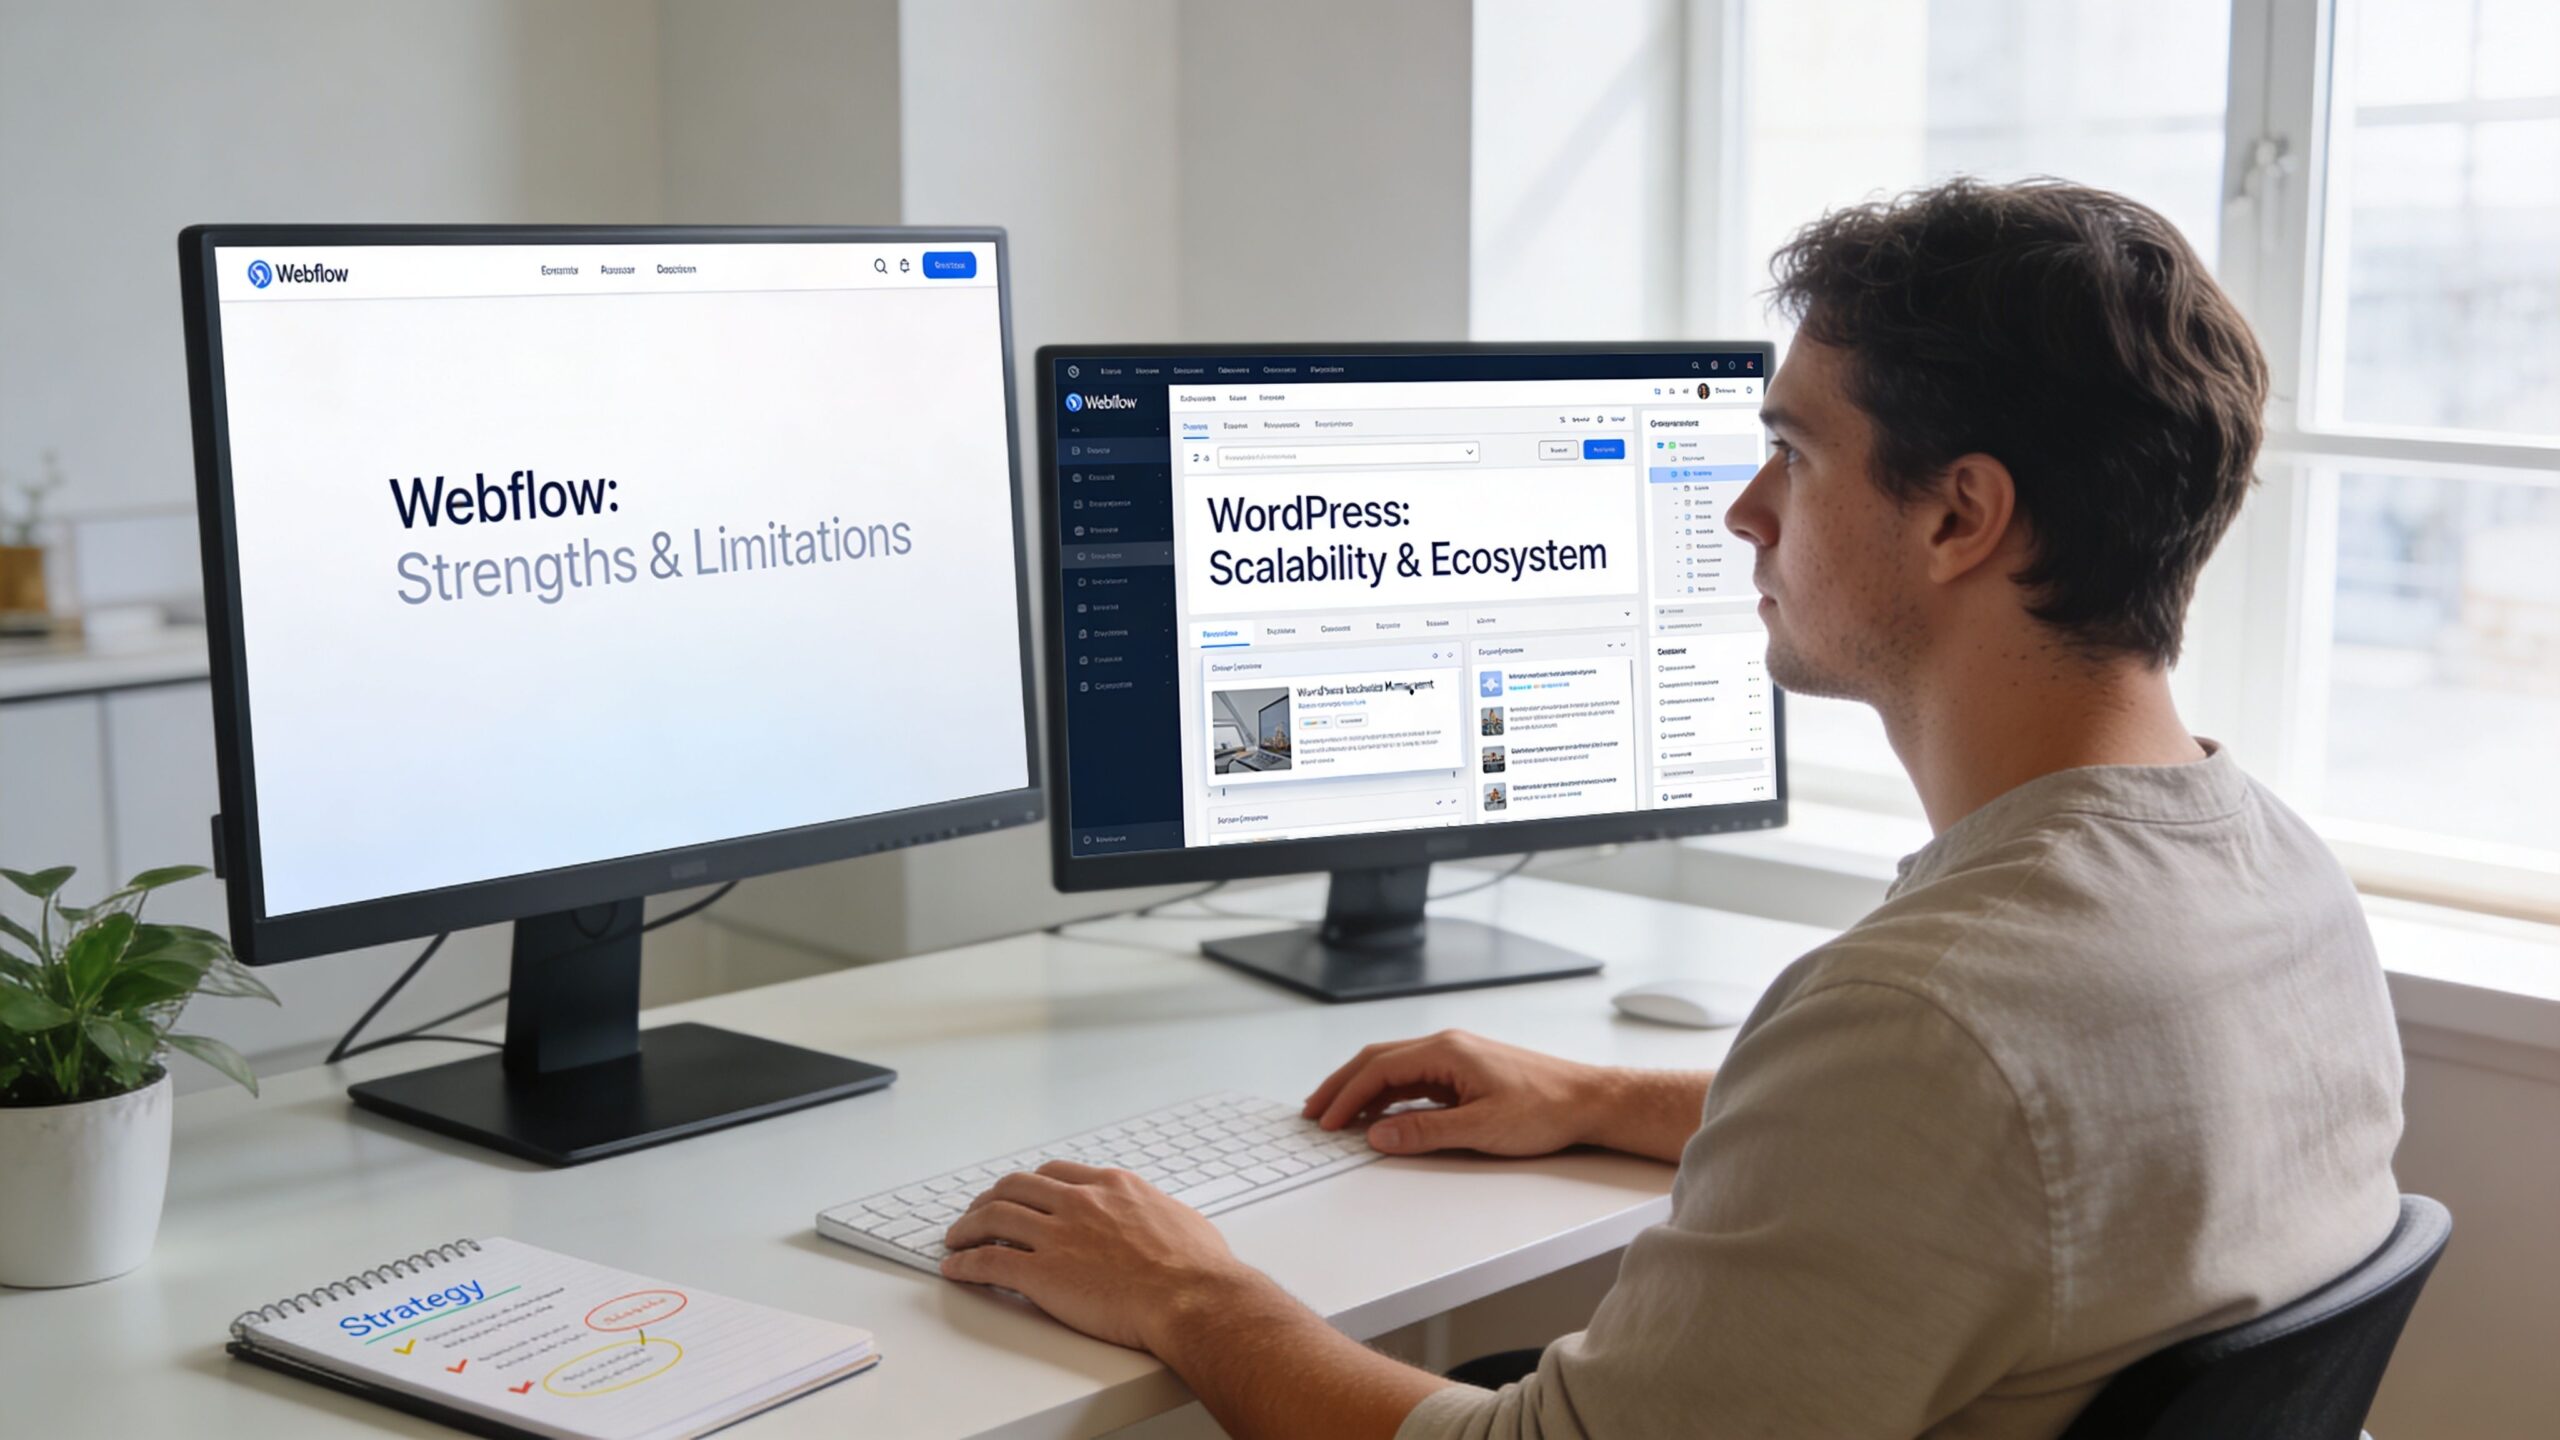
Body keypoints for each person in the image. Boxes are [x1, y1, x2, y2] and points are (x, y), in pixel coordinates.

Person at [937, 178, 2406, 1440]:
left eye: (1799, 452)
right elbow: (2002, 1155)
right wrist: (1596, 1098)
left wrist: (1187, 1290)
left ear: (1961, 515)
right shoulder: (2275, 872)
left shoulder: (1931, 1016)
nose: (1745, 509)